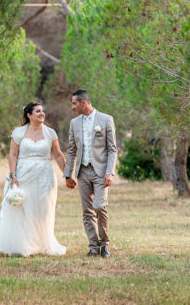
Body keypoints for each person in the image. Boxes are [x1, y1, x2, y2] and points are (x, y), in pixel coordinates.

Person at [0, 102, 67, 256]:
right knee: (24, 209)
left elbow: (58, 155)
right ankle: (23, 244)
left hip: (44, 176)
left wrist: (67, 175)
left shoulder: (50, 133)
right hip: (23, 175)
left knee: (43, 210)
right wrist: (13, 175)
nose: (42, 114)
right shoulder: (19, 133)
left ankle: (43, 244)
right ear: (29, 115)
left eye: (43, 111)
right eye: (37, 111)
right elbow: (13, 155)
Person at [63, 89, 117, 258]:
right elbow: (71, 150)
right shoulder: (74, 123)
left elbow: (112, 149)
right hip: (82, 172)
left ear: (83, 103)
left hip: (101, 171)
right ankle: (94, 247)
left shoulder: (106, 120)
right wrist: (68, 174)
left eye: (74, 103)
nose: (72, 107)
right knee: (87, 211)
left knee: (100, 206)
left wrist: (110, 172)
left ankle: (105, 244)